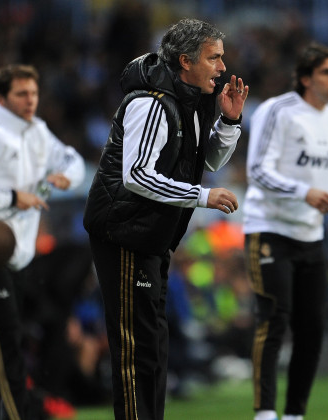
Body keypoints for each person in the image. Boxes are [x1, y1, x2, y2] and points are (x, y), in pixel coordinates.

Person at [83, 18, 247, 419]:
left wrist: (228, 123)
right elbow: (136, 175)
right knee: (135, 349)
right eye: (214, 58)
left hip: (152, 236)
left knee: (153, 349)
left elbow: (204, 160)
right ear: (185, 60)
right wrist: (202, 197)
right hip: (124, 233)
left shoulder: (190, 98)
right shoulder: (151, 102)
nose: (222, 68)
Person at [243, 42, 328, 420]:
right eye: (327, 73)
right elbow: (257, 171)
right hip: (270, 228)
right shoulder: (277, 110)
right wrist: (304, 192)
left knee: (312, 328)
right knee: (275, 318)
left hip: (312, 236)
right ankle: (265, 413)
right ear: (304, 78)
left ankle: (295, 413)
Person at [0, 64, 85, 420]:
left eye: (33, 93)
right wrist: (15, 198)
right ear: (1, 98)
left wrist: (65, 176)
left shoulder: (38, 132)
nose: (31, 100)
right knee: (9, 351)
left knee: (11, 348)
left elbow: (73, 160)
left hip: (19, 258)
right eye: (21, 94)